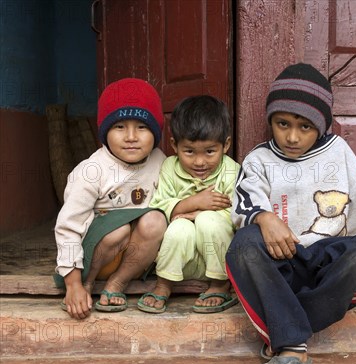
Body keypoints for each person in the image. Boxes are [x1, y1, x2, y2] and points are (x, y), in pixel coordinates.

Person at [225, 63, 356, 364]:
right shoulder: (258, 159)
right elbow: (243, 205)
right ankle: (292, 342)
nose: (291, 136)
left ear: (321, 126)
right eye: (282, 123)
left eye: (305, 126)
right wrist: (264, 218)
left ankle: (284, 324)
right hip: (282, 265)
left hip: (327, 266)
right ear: (270, 121)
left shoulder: (340, 153)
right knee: (243, 245)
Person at [54, 77, 167, 320]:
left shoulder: (160, 161)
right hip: (94, 259)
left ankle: (117, 284)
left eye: (142, 127)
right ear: (105, 132)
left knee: (156, 219)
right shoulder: (91, 170)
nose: (131, 136)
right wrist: (73, 283)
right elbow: (67, 227)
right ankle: (87, 286)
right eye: (119, 127)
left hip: (136, 260)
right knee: (118, 230)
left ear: (155, 132)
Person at [137, 95, 240, 314]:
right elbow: (158, 206)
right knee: (179, 227)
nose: (200, 162)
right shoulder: (169, 168)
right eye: (190, 151)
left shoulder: (231, 171)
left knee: (208, 219)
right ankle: (164, 284)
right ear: (174, 145)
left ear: (226, 145)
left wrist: (197, 214)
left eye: (210, 151)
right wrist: (193, 202)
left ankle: (220, 284)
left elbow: (238, 215)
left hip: (216, 260)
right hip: (181, 262)